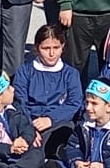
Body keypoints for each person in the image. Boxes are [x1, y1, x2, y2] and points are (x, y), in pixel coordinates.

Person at [13, 23, 85, 160]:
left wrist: (51, 119)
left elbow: (74, 102)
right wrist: (29, 128)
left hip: (58, 122)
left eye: (56, 48)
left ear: (62, 47)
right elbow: (20, 101)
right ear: (36, 49)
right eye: (46, 48)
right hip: (30, 122)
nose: (52, 53)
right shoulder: (25, 71)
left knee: (65, 133)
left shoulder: (70, 74)